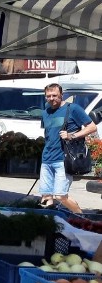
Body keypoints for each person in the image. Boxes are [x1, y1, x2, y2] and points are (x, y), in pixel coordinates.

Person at [39, 83, 97, 212]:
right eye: (48, 96)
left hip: (63, 159)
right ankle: (50, 222)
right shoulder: (45, 112)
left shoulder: (73, 109)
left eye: (54, 95)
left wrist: (72, 135)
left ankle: (82, 219)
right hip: (47, 159)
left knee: (60, 196)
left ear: (62, 95)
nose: (51, 98)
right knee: (45, 195)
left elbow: (92, 127)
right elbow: (48, 135)